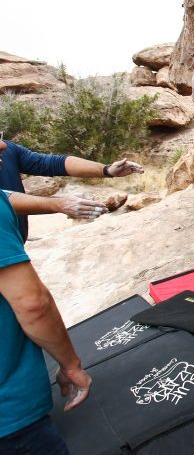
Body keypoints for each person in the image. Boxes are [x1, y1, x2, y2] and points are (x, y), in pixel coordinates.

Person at [0, 138, 92, 454]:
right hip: (11, 418)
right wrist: (70, 364)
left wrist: (60, 203)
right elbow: (33, 305)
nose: (2, 147)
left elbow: (8, 196)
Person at [0, 135, 144, 241]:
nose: (3, 145)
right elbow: (5, 200)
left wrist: (107, 170)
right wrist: (59, 204)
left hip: (15, 245)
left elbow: (50, 163)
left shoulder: (8, 150)